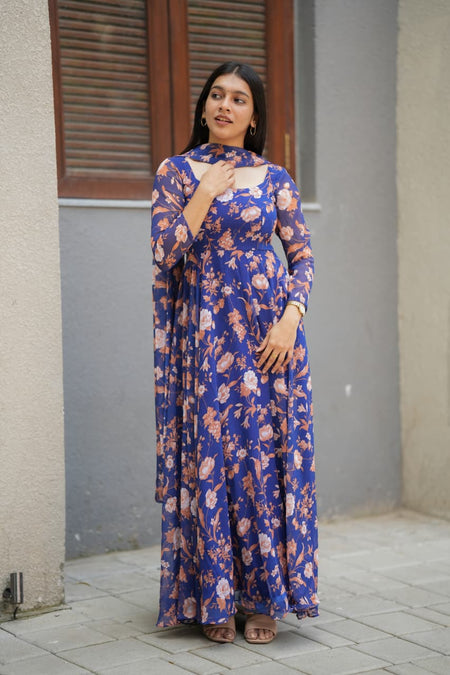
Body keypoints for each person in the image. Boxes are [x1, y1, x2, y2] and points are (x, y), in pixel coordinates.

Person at [151, 62, 318, 645]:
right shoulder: (176, 172)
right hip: (205, 343)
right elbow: (165, 251)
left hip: (270, 343)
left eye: (239, 99)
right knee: (214, 457)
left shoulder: (275, 178)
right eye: (217, 95)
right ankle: (214, 598)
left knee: (262, 461)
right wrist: (204, 192)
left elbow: (302, 255)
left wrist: (291, 319)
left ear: (254, 116)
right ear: (203, 108)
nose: (225, 105)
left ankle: (264, 598)